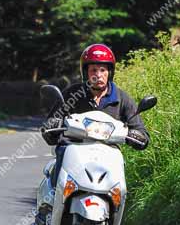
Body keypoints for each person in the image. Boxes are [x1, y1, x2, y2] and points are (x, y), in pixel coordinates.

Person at [42, 43, 150, 187]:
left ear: (109, 72)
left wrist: (137, 136)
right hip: (73, 151)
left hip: (108, 155)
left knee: (120, 187)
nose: (98, 75)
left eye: (102, 70)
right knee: (61, 162)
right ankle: (53, 201)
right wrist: (53, 125)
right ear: (85, 73)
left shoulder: (122, 98)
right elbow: (50, 123)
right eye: (93, 70)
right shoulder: (72, 94)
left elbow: (141, 132)